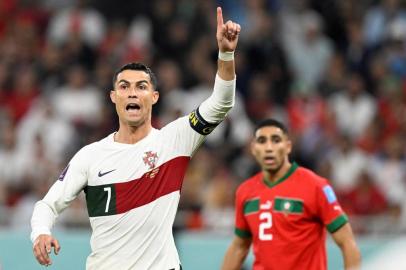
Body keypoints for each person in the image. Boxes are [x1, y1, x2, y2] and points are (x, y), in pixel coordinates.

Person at [31, 7, 240, 270]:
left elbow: (221, 103)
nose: (132, 93)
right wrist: (40, 232)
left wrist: (226, 53)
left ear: (154, 97)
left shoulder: (174, 140)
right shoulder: (91, 156)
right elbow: (48, 205)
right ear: (113, 97)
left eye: (141, 87)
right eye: (124, 87)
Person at [221, 118, 361, 270]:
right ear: (254, 148)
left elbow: (347, 242)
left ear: (288, 146)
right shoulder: (245, 191)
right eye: (262, 141)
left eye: (276, 140)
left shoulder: (315, 186)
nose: (269, 148)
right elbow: (239, 247)